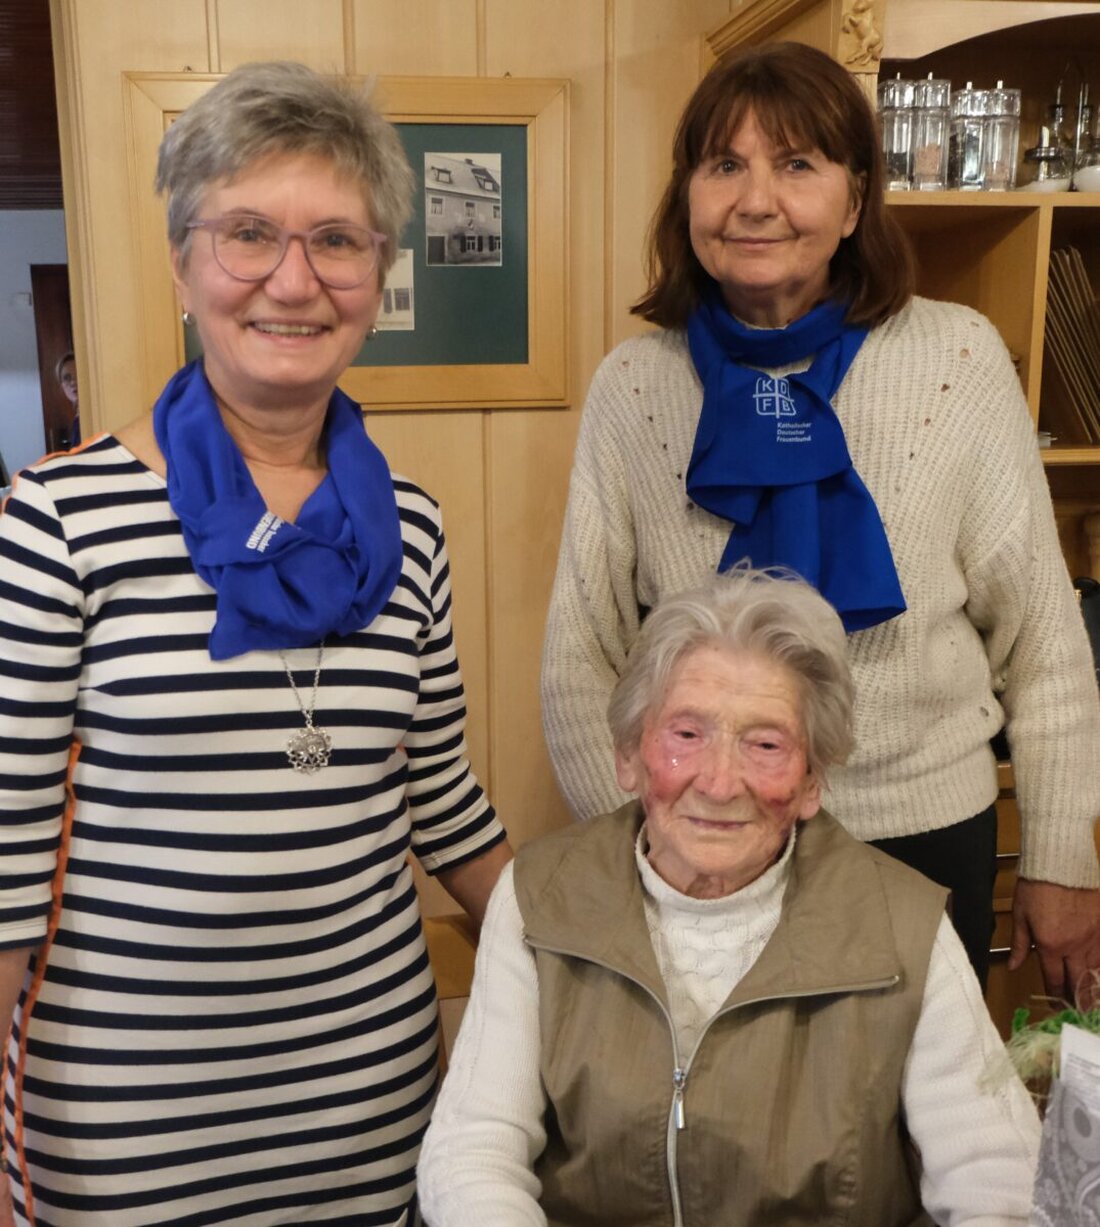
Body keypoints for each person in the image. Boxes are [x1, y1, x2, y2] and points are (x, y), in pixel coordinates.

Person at [0, 61, 511, 1227]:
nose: (294, 279)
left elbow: (440, 800)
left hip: (366, 1096)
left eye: (336, 240)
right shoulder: (58, 520)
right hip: (123, 1113)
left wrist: (616, 965)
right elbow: (4, 860)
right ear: (184, 262)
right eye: (247, 234)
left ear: (378, 273)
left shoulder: (414, 529)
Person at [540, 40, 1100, 998]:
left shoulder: (958, 360)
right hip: (701, 840)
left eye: (797, 164)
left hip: (923, 840)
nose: (756, 200)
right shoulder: (634, 385)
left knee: (907, 1135)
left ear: (854, 200)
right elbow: (578, 657)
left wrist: (1060, 856)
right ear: (688, 197)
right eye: (725, 165)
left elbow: (1044, 644)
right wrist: (649, 834)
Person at [419, 569, 1041, 1226]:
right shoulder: (539, 897)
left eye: (766, 744)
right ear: (629, 755)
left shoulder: (902, 927)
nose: (720, 782)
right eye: (687, 734)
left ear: (811, 781)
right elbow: (474, 1151)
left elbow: (998, 1183)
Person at [54, 350, 80, 446]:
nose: (73, 382)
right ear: (61, 386)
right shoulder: (77, 420)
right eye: (67, 378)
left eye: (78, 374)